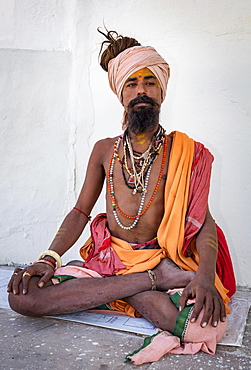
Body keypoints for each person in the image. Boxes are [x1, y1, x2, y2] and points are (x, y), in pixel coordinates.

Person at [7, 29, 236, 364]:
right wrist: (48, 258)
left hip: (163, 257)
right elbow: (80, 212)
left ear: (162, 91)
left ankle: (132, 284)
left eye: (149, 82)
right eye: (132, 83)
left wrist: (203, 278)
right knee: (22, 299)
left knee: (203, 327)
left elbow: (203, 223)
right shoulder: (104, 150)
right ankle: (149, 282)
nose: (141, 90)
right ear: (121, 94)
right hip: (111, 259)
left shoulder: (185, 151)